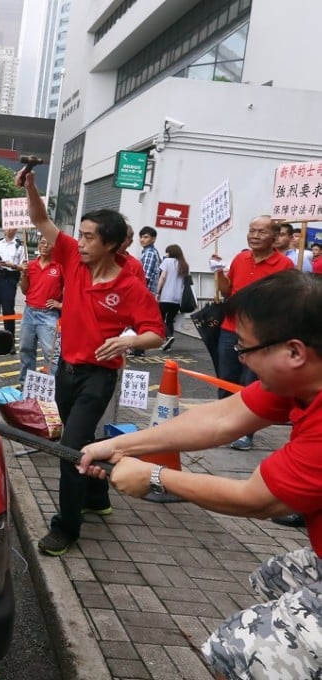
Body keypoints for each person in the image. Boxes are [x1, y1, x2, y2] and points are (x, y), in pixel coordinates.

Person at [78, 270, 322, 680]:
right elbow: (222, 418)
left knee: (238, 651)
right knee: (272, 580)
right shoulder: (299, 380)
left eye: (245, 348)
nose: (239, 357)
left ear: (294, 351)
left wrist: (156, 478)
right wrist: (120, 446)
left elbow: (258, 499)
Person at [18, 165, 164, 557]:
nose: (79, 242)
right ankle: (97, 494)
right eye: (80, 235)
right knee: (77, 440)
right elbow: (40, 220)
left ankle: (66, 528)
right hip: (66, 372)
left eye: (88, 237)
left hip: (98, 378)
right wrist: (31, 187)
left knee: (69, 450)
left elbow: (156, 333)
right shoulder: (71, 259)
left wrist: (125, 341)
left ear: (111, 244)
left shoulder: (129, 287)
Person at [215, 216, 294, 451]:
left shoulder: (284, 266)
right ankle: (221, 426)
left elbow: (286, 301)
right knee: (225, 379)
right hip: (230, 329)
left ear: (275, 237)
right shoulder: (240, 258)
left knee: (252, 384)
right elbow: (228, 291)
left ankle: (245, 432)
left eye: (261, 232)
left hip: (260, 336)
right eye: (252, 230)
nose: (255, 236)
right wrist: (218, 272)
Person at [18, 236, 63, 381]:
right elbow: (25, 290)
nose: (44, 245)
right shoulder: (30, 265)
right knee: (26, 350)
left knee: (51, 355)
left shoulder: (60, 267)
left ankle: (52, 388)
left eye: (48, 243)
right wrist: (24, 274)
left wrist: (60, 304)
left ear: (55, 247)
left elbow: (72, 289)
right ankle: (25, 384)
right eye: (42, 242)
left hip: (48, 314)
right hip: (29, 312)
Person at [0, 228, 26, 340]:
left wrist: (13, 265)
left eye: (11, 227)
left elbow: (24, 267)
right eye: (7, 227)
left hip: (9, 279)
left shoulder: (20, 247)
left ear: (16, 229)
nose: (9, 230)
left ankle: (9, 340)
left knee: (8, 311)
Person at [156, 244, 189, 352]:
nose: (167, 254)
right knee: (170, 320)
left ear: (171, 253)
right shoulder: (184, 265)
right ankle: (168, 345)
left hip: (166, 296)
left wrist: (158, 291)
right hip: (177, 298)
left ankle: (168, 337)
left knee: (160, 319)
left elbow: (162, 277)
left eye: (168, 252)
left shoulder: (167, 262)